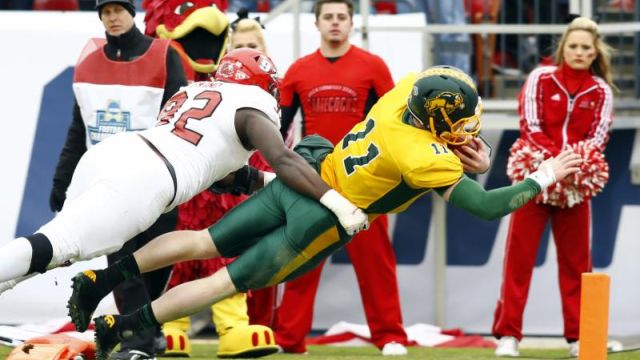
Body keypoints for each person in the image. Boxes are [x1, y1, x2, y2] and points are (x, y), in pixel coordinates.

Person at [67, 65, 583, 360]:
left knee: (204, 240)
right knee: (226, 284)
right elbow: (489, 207)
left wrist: (480, 158)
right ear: (440, 116)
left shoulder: (404, 96)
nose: (469, 126)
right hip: (323, 220)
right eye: (462, 118)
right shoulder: (421, 155)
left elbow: (439, 135)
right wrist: (546, 175)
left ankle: (102, 276)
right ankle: (119, 325)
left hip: (305, 179)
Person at [0, 47, 368, 319]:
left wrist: (266, 181)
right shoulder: (252, 103)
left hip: (115, 153)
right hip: (146, 178)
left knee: (53, 251)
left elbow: (220, 172)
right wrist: (335, 201)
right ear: (261, 84)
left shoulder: (193, 91)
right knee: (56, 245)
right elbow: (285, 158)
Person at [47, 0, 188, 358]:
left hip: (159, 181)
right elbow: (78, 129)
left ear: (132, 12)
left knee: (157, 261)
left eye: (118, 10)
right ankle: (138, 340)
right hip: (109, 185)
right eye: (105, 12)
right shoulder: (89, 61)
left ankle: (149, 326)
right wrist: (61, 181)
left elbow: (181, 123)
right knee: (122, 261)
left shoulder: (164, 55)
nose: (112, 18)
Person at [276, 0, 408, 355]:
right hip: (315, 179)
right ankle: (288, 339)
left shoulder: (373, 67)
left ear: (352, 23)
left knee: (375, 261)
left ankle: (390, 335)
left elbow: (395, 124)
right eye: (328, 17)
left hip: (365, 179)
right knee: (302, 259)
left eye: (341, 17)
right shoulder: (298, 71)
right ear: (316, 23)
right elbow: (279, 130)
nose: (335, 23)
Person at [492, 17, 615, 357]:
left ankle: (579, 339)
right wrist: (552, 166)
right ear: (563, 49)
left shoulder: (600, 90)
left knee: (578, 264)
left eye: (585, 48)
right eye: (573, 46)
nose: (578, 52)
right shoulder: (539, 78)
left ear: (594, 53)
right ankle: (508, 335)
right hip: (535, 180)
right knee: (518, 259)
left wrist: (570, 168)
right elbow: (528, 125)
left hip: (575, 185)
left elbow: (598, 139)